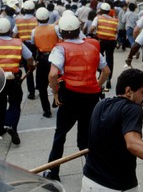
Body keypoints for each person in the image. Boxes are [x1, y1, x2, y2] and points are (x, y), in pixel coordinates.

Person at [43, 15, 110, 181]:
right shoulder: (92, 47)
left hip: (70, 96)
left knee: (61, 134)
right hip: (91, 97)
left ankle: (53, 172)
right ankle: (92, 170)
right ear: (79, 30)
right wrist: (97, 85)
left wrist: (56, 92)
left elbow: (52, 75)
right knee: (86, 136)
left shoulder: (60, 49)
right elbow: (106, 71)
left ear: (62, 33)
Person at [0, 18, 34, 144]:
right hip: (13, 78)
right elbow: (29, 57)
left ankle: (1, 128)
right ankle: (11, 125)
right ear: (9, 30)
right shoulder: (17, 42)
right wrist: (30, 66)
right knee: (15, 103)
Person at [31, 7, 59, 118]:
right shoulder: (55, 28)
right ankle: (56, 98)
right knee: (57, 80)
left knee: (42, 86)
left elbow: (33, 43)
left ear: (37, 18)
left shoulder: (34, 31)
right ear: (48, 17)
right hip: (54, 58)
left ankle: (46, 110)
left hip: (42, 59)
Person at [90, 2, 118, 90]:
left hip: (101, 41)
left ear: (101, 11)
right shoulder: (115, 20)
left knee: (99, 58)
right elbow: (116, 31)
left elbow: (92, 28)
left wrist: (91, 33)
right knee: (110, 58)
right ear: (109, 11)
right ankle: (109, 78)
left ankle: (101, 74)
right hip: (111, 41)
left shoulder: (98, 18)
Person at [13, 0, 38, 99]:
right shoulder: (36, 20)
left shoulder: (18, 21)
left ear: (23, 9)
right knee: (39, 68)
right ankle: (40, 86)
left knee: (29, 70)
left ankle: (31, 92)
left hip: (23, 46)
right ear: (33, 10)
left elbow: (14, 35)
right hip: (36, 46)